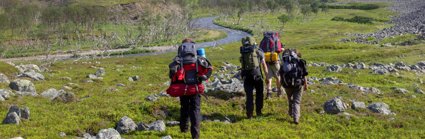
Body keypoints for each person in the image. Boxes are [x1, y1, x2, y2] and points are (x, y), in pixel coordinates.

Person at [166, 38, 212, 139]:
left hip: (183, 90)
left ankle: (184, 129)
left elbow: (171, 75)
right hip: (195, 89)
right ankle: (195, 135)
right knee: (195, 110)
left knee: (184, 108)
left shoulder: (178, 60)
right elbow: (209, 69)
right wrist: (203, 78)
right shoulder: (198, 59)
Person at [239, 36, 268, 118]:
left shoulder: (243, 51)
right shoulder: (259, 51)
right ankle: (259, 112)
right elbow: (264, 65)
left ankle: (249, 114)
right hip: (257, 74)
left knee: (249, 95)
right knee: (259, 93)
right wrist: (266, 77)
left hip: (246, 75)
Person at [279, 49, 308, 124]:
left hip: (287, 85)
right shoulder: (299, 62)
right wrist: (305, 84)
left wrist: (280, 86)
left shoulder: (284, 63)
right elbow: (303, 74)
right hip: (298, 84)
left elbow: (281, 75)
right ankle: (296, 118)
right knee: (297, 101)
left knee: (290, 99)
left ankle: (290, 112)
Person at [259, 32, 284, 99]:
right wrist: (282, 49)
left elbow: (260, 50)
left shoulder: (263, 40)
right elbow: (278, 50)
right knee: (278, 77)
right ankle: (279, 92)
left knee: (269, 77)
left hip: (266, 61)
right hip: (275, 61)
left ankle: (269, 94)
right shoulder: (276, 39)